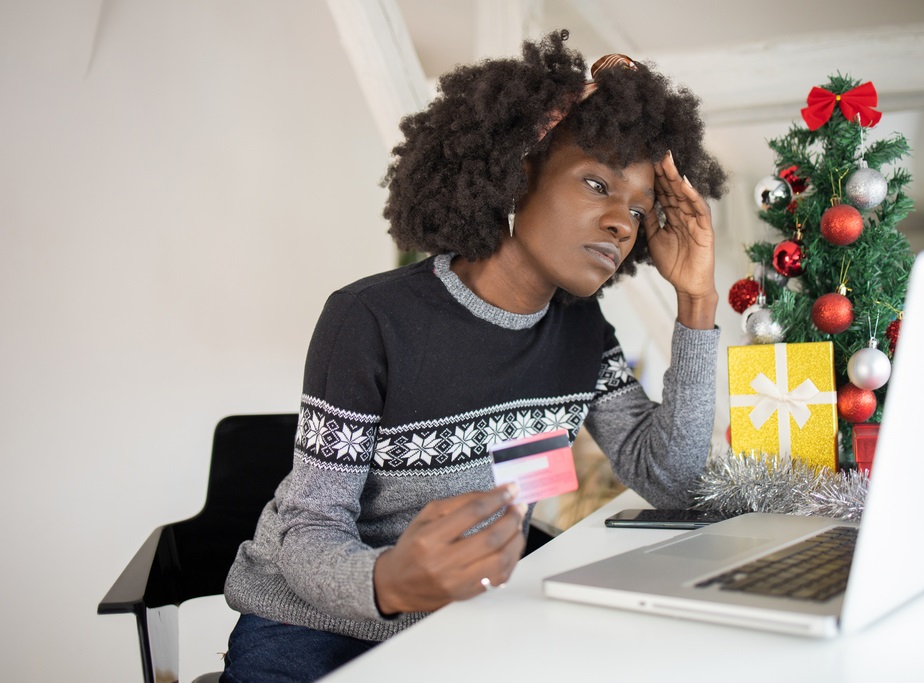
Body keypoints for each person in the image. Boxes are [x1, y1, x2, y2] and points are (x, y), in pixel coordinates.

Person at [221, 30, 727, 682]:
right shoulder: (369, 319)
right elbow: (308, 531)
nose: (622, 223)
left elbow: (670, 478)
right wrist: (391, 578)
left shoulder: (582, 334)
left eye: (639, 208)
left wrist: (698, 299)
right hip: (317, 622)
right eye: (597, 182)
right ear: (519, 172)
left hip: (469, 613)